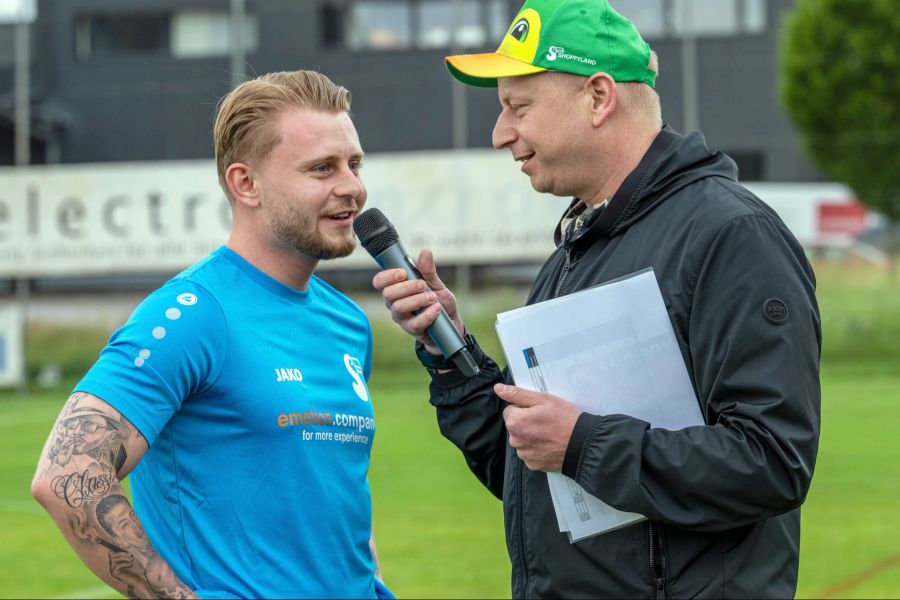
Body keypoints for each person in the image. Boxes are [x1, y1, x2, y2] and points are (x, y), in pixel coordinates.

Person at [372, 0, 821, 597]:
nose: (500, 133)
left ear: (598, 97)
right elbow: (531, 472)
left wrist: (583, 441)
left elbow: (771, 463)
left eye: (517, 107)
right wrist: (453, 354)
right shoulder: (577, 248)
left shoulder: (730, 235)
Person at [32, 69, 394, 599]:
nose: (352, 188)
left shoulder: (348, 321)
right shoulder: (194, 314)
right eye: (322, 169)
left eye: (354, 164)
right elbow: (66, 478)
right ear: (245, 183)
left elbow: (334, 498)